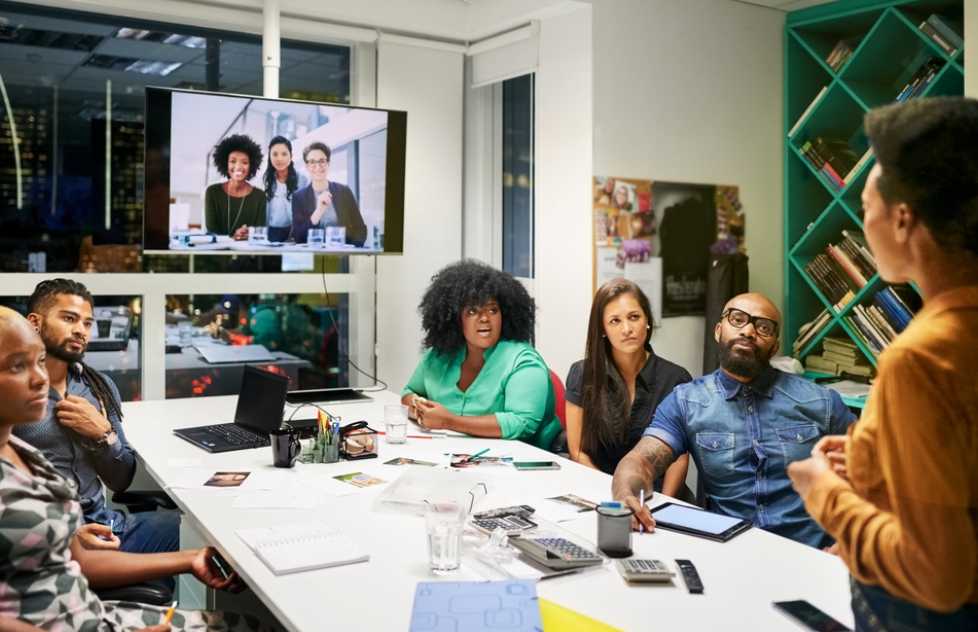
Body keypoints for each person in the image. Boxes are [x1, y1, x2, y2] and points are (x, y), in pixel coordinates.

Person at [787, 98, 978, 632]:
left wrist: (825, 494)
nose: (864, 222)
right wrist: (879, 472)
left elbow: (938, 574)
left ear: (903, 219)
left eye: (865, 208)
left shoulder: (917, 359)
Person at [0, 305, 264, 632]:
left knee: (260, 627)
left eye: (38, 361)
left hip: (96, 620)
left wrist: (189, 558)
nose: (39, 378)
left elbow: (78, 562)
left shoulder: (19, 451)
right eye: (17, 366)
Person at [611, 293, 856, 549]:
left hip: (812, 553)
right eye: (737, 319)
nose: (749, 331)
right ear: (718, 331)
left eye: (763, 327)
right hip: (730, 551)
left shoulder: (821, 402)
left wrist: (847, 542)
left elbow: (873, 469)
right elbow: (639, 461)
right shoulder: (688, 402)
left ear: (774, 346)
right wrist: (624, 495)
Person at [15, 279, 182, 565]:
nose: (81, 330)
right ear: (35, 323)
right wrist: (66, 535)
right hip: (49, 541)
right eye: (69, 318)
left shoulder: (98, 387)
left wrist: (103, 433)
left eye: (87, 323)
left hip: (108, 527)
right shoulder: (11, 391)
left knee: (200, 535)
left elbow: (121, 481)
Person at [401, 260, 561, 449]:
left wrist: (448, 421)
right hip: (448, 455)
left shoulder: (523, 360)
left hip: (516, 462)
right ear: (455, 318)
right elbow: (409, 393)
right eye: (472, 311)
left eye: (492, 310)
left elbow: (521, 424)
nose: (484, 318)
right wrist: (420, 409)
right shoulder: (438, 355)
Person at [565, 279, 693, 498]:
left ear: (647, 321)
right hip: (602, 493)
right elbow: (578, 452)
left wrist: (665, 507)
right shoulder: (582, 374)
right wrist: (615, 499)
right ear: (603, 329)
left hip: (660, 497)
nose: (627, 329)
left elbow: (678, 458)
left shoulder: (676, 379)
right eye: (614, 321)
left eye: (634, 317)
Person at [289, 142, 367, 246]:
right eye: (312, 162)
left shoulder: (344, 191)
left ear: (328, 164)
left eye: (322, 161)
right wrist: (318, 211)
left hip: (341, 257)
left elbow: (360, 228)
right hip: (312, 257)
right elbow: (298, 237)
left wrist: (351, 250)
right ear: (306, 166)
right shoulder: (299, 197)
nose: (318, 166)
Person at [203, 133, 266, 241]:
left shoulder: (260, 196)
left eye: (244, 162)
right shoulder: (212, 192)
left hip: (248, 254)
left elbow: (260, 233)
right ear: (225, 164)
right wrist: (234, 237)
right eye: (233, 161)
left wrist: (248, 234)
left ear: (251, 165)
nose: (238, 167)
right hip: (219, 254)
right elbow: (212, 233)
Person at [262, 135, 305, 243]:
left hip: (295, 233)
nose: (279, 159)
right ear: (269, 157)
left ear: (291, 156)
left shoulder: (303, 180)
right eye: (275, 154)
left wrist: (296, 236)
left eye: (284, 154)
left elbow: (307, 213)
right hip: (270, 234)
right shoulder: (263, 181)